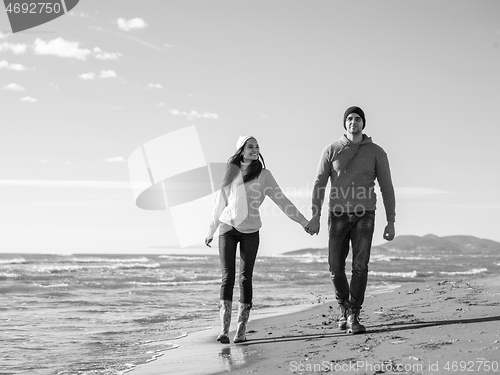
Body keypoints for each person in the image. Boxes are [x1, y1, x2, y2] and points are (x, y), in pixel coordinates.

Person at [205, 135, 309, 344]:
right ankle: (224, 330)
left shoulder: (264, 175)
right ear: (241, 150)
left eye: (256, 146)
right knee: (227, 278)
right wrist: (211, 230)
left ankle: (241, 330)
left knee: (245, 278)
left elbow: (282, 200)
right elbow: (219, 203)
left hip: (251, 231)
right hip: (228, 227)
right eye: (250, 146)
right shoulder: (231, 173)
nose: (254, 149)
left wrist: (303, 221)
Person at [305, 106, 396, 334]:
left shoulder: (377, 152)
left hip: (365, 214)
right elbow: (319, 183)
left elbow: (386, 187)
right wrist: (315, 214)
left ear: (363, 123)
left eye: (357, 118)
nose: (353, 122)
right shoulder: (332, 150)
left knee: (360, 266)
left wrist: (391, 220)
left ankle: (354, 314)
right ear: (344, 124)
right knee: (335, 267)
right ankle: (344, 308)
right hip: (337, 214)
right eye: (349, 119)